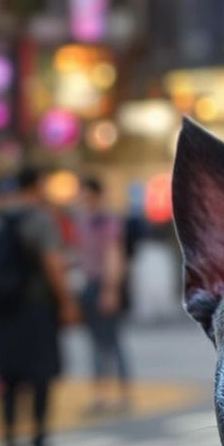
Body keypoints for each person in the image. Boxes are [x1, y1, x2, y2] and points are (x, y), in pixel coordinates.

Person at [0, 168, 74, 446]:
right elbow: (52, 262)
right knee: (40, 375)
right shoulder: (40, 219)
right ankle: (39, 438)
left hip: (0, 308)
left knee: (7, 378)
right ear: (36, 186)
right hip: (35, 308)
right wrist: (67, 301)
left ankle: (8, 440)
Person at [75, 176, 130, 412]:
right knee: (96, 343)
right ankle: (100, 395)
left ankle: (121, 394)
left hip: (104, 285)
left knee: (111, 342)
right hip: (89, 284)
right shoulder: (84, 221)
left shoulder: (108, 221)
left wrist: (111, 289)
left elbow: (114, 256)